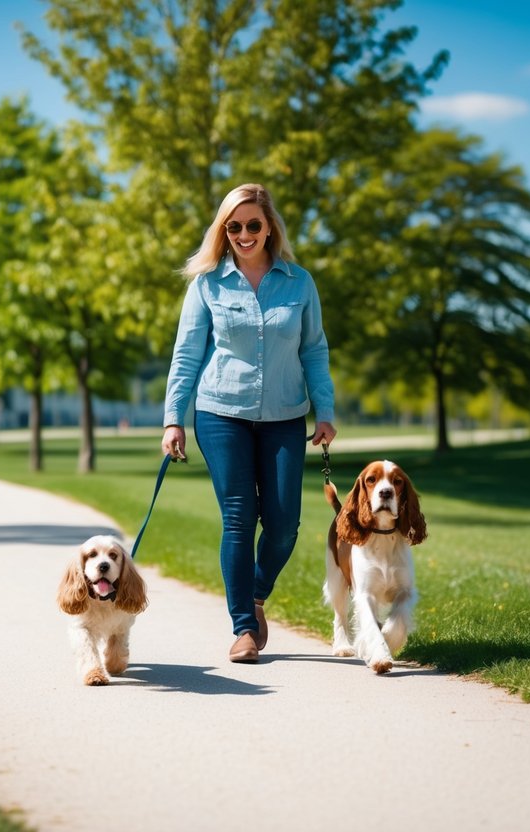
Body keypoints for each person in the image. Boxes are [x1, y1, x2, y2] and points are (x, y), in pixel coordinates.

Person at [161, 183, 337, 663]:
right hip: (220, 414)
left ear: (269, 227)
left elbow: (314, 350)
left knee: (283, 525)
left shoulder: (299, 282)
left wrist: (325, 410)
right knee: (239, 518)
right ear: (223, 231)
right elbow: (186, 355)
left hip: (284, 416)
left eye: (252, 225)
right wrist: (173, 418)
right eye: (232, 226)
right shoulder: (207, 285)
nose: (243, 234)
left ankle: (257, 594)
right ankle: (242, 628)